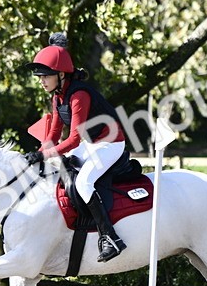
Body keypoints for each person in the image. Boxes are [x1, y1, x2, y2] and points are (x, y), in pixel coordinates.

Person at [18, 33, 129, 262]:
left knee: (83, 181)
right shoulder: (58, 97)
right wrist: (39, 155)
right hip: (92, 144)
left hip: (111, 144)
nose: (41, 81)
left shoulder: (79, 95)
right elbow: (54, 136)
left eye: (45, 76)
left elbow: (73, 140)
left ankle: (110, 237)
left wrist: (43, 154)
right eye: (39, 76)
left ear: (60, 74)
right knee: (57, 166)